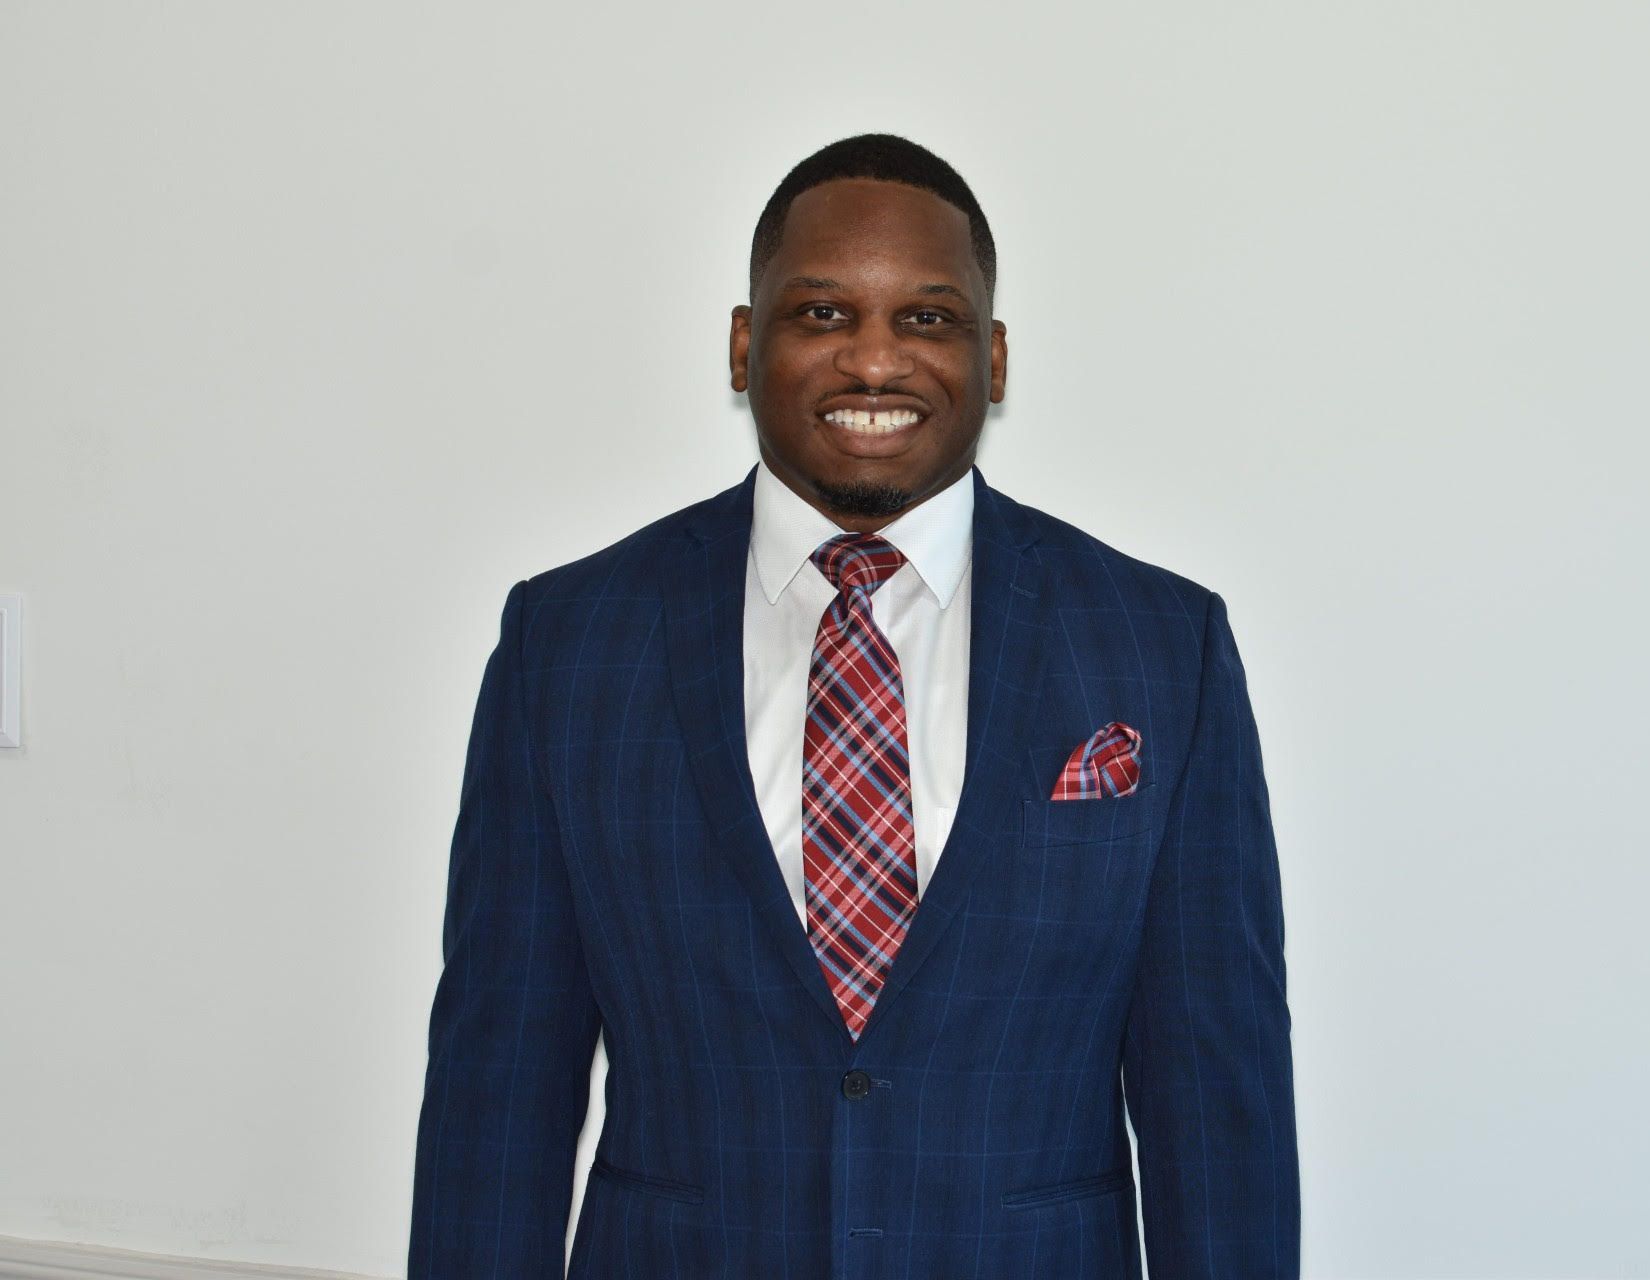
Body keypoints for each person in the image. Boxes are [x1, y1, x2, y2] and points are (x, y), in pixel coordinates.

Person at [407, 131, 1300, 1279]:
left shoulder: (1159, 645)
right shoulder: (570, 644)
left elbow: (1217, 1104)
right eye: (823, 314)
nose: (874, 362)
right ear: (743, 344)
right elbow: (498, 1084)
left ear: (996, 358)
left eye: (928, 319)